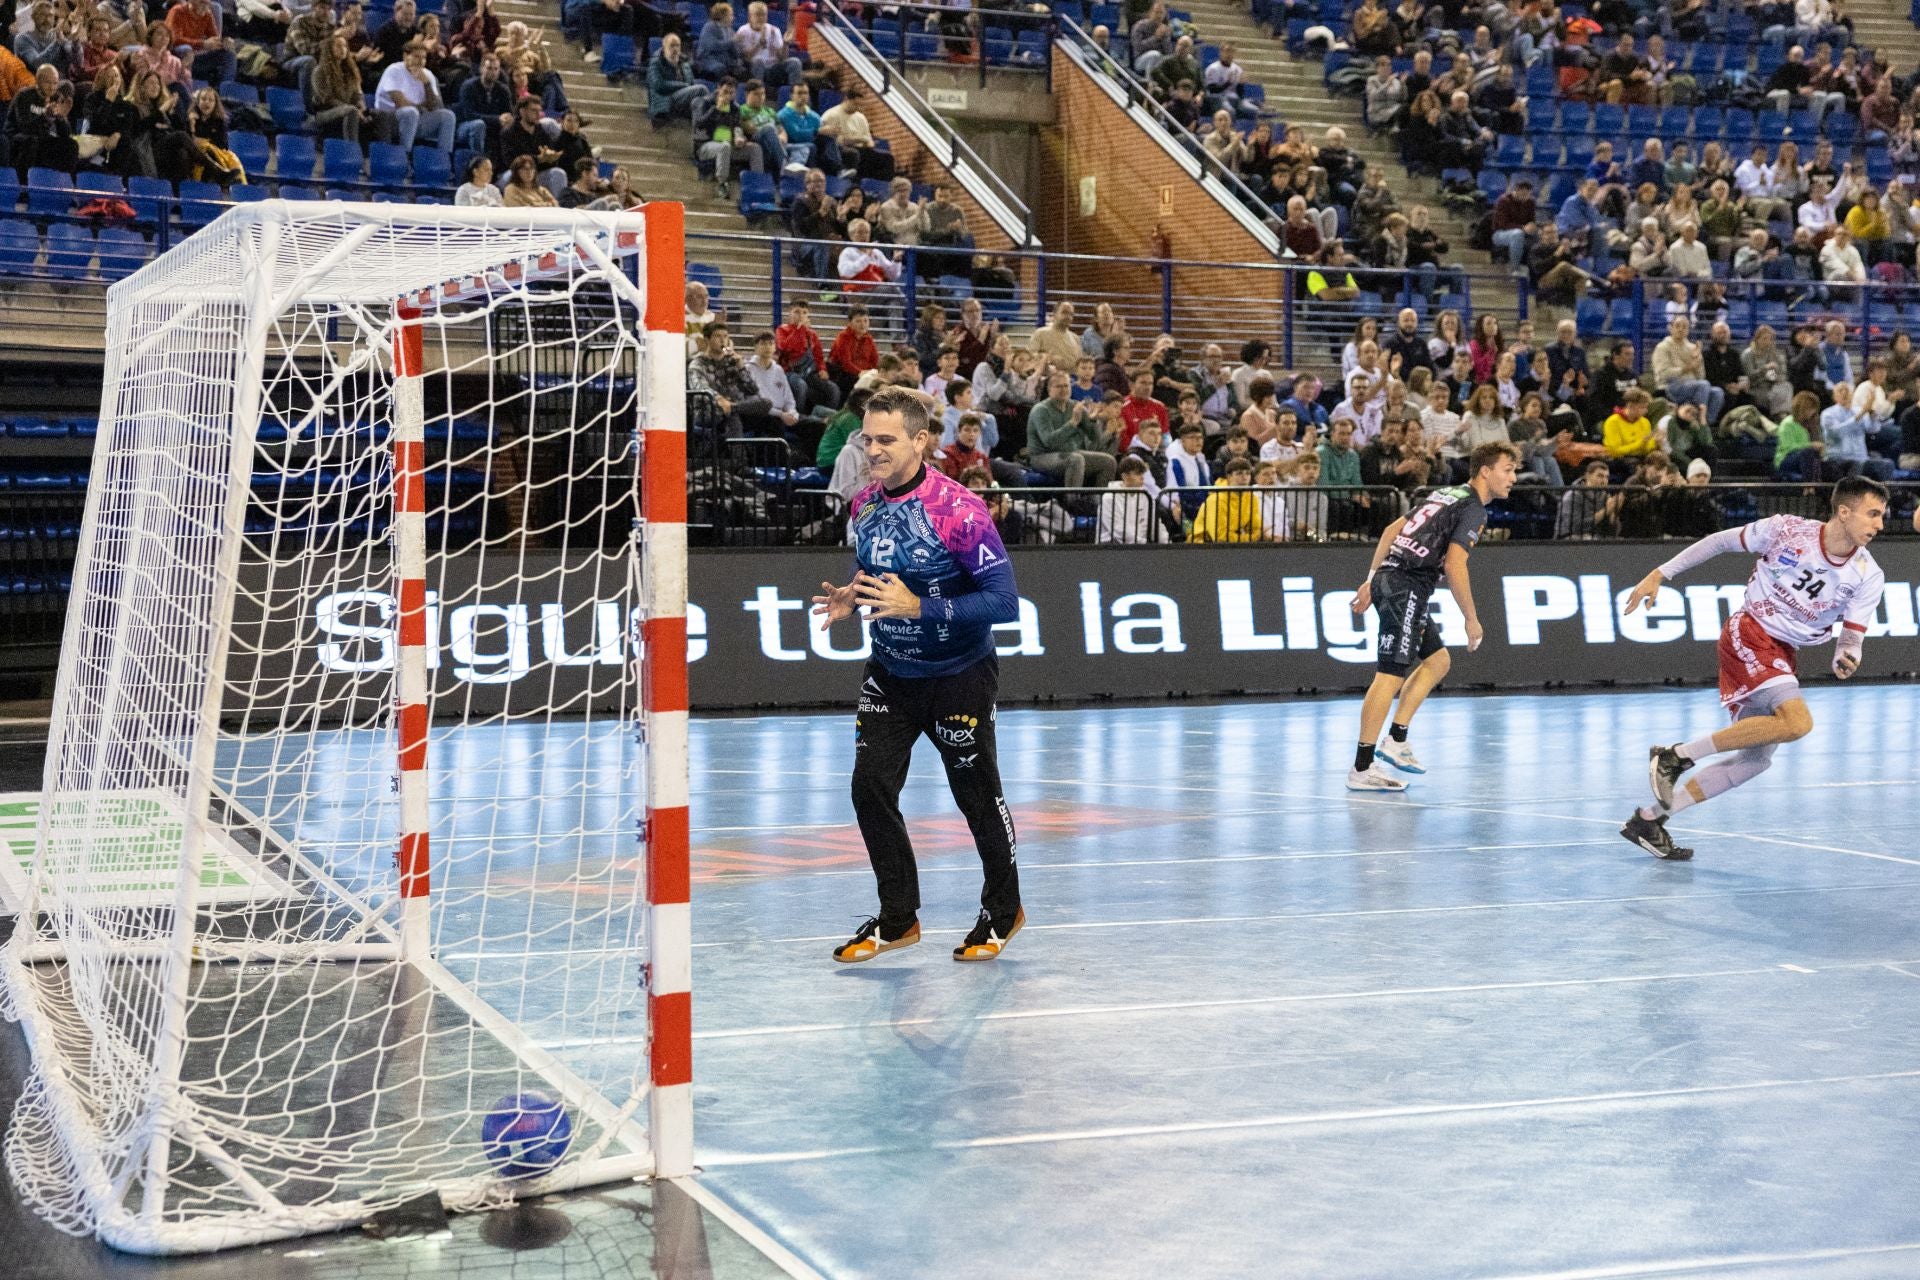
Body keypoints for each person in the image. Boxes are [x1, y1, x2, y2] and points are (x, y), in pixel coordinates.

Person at [811, 387, 1025, 964]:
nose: (873, 449)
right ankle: (898, 918)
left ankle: (1004, 911)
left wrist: (920, 608)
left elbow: (1005, 603)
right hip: (890, 674)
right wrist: (852, 598)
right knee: (869, 788)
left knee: (976, 795)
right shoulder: (864, 505)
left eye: (886, 440)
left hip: (959, 674)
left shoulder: (958, 512)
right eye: (867, 438)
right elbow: (875, 570)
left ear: (919, 441)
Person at [1621, 479, 1889, 860]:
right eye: (1872, 514)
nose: (1879, 524)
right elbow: (1717, 542)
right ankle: (1674, 756)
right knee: (1798, 723)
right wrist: (1660, 574)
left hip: (1784, 652)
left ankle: (1650, 819)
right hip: (1750, 631)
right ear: (1844, 512)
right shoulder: (1786, 530)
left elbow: (1851, 638)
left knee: (1756, 761)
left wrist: (1846, 656)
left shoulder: (1868, 574)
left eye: (1882, 516)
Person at [1346, 441, 1518, 791]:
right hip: (1405, 586)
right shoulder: (1473, 509)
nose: (1513, 477)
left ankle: (1395, 741)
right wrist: (1471, 618)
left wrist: (1371, 579)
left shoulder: (1447, 493)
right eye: (1508, 469)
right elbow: (1455, 564)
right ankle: (1362, 770)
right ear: (1486, 471)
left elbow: (1390, 531)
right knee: (1389, 676)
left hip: (1393, 580)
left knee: (1438, 661)